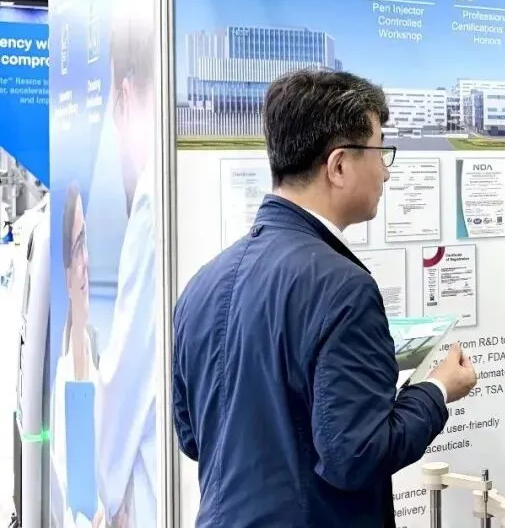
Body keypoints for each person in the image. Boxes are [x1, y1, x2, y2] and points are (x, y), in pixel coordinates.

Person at [172, 69, 479, 527]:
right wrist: (436, 390)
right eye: (380, 151)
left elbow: (193, 437)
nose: (386, 171)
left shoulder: (201, 285)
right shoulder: (343, 288)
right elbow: (357, 455)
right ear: (338, 166)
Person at [93, 0, 158, 528]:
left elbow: (125, 375)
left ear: (126, 93)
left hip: (161, 485)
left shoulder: (154, 206)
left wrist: (103, 494)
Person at [49, 183, 105, 527]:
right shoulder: (59, 372)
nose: (85, 260)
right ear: (66, 270)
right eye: (77, 245)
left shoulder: (94, 346)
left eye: (86, 243)